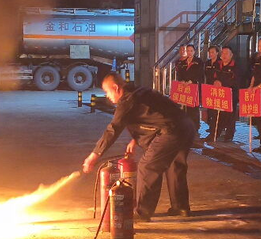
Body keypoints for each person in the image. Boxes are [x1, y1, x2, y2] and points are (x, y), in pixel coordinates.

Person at [82, 73, 194, 221]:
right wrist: (135, 140)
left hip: (171, 131)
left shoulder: (126, 101)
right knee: (174, 165)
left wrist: (95, 154)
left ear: (116, 88)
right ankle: (180, 207)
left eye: (107, 92)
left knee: (148, 167)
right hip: (186, 126)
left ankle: (142, 212)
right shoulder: (138, 91)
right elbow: (153, 116)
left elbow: (113, 129)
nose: (107, 96)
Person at [209, 46, 240, 142]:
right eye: (223, 53)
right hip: (218, 94)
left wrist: (223, 83)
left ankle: (229, 136)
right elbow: (213, 76)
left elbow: (236, 81)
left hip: (231, 94)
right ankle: (214, 134)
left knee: (230, 116)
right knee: (216, 114)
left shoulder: (236, 66)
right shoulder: (218, 64)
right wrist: (216, 81)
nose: (224, 55)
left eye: (227, 53)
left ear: (231, 55)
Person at [174, 44, 203, 131]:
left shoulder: (198, 61)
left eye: (191, 51)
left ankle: (195, 126)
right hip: (184, 87)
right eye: (188, 51)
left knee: (193, 107)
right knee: (185, 106)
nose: (189, 52)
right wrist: (181, 80)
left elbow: (200, 73)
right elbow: (179, 73)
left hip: (194, 86)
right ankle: (187, 126)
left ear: (194, 52)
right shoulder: (183, 62)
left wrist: (191, 81)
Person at [202, 46, 221, 137]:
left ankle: (216, 128)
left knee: (216, 110)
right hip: (209, 88)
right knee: (209, 109)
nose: (211, 54)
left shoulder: (220, 62)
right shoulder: (207, 63)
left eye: (213, 52)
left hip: (217, 88)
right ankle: (211, 126)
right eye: (210, 52)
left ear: (217, 53)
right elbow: (205, 75)